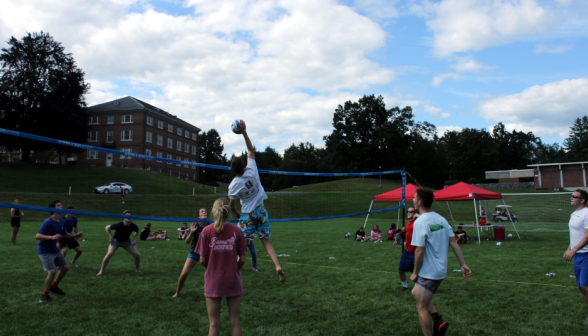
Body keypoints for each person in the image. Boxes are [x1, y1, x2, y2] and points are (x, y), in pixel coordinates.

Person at [228, 120, 285, 284]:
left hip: (247, 215)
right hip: (261, 211)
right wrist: (244, 132)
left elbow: (231, 205)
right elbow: (251, 149)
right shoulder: (252, 169)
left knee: (242, 246)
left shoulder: (234, 185)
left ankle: (235, 272)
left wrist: (239, 215)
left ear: (233, 169)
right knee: (266, 243)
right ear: (244, 166)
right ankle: (277, 266)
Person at [410, 188, 471, 336]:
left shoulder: (420, 222)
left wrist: (415, 273)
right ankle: (438, 320)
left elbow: (419, 251)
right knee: (415, 293)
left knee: (422, 307)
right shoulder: (440, 219)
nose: (412, 199)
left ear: (419, 202)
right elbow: (454, 243)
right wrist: (463, 264)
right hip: (440, 270)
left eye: (414, 197)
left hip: (428, 272)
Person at [196, 198, 246, 336]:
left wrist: (212, 268)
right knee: (235, 323)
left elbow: (202, 260)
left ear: (213, 211)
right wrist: (235, 268)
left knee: (213, 324)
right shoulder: (237, 231)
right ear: (229, 211)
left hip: (213, 280)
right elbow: (242, 259)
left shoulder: (206, 231)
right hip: (232, 279)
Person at [35, 200, 84, 302]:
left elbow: (65, 234)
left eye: (61, 205)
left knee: (65, 268)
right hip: (45, 251)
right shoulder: (48, 221)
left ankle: (54, 287)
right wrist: (51, 237)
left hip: (54, 250)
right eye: (58, 205)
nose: (61, 206)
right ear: (53, 209)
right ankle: (44, 296)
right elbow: (37, 236)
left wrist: (75, 235)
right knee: (52, 272)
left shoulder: (61, 221)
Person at [564, 189, 588, 326]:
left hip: (586, 254)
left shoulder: (586, 213)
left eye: (574, 196)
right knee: (581, 287)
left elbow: (587, 236)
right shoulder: (574, 214)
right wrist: (569, 249)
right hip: (578, 254)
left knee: (585, 286)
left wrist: (573, 250)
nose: (571, 198)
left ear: (582, 200)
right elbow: (576, 235)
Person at [173, 208, 209, 297]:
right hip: (195, 252)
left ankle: (211, 292)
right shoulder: (194, 226)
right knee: (183, 274)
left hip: (207, 253)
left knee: (211, 274)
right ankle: (177, 293)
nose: (204, 213)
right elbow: (187, 242)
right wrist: (192, 233)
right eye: (202, 212)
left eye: (205, 212)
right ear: (198, 216)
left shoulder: (210, 226)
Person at [97, 210, 140, 276]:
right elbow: (107, 227)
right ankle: (101, 271)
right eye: (127, 216)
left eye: (130, 216)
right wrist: (110, 237)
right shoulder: (118, 225)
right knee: (109, 254)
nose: (129, 217)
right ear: (123, 217)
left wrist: (134, 240)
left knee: (137, 255)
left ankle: (137, 270)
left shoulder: (133, 226)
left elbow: (137, 231)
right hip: (116, 241)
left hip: (126, 242)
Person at [398, 206, 418, 291]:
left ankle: (421, 288)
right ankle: (405, 286)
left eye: (411, 211)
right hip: (407, 251)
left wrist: (417, 216)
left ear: (415, 213)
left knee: (419, 273)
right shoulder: (409, 223)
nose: (408, 213)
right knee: (400, 270)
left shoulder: (418, 222)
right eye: (408, 211)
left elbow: (426, 220)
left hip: (416, 252)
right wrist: (404, 230)